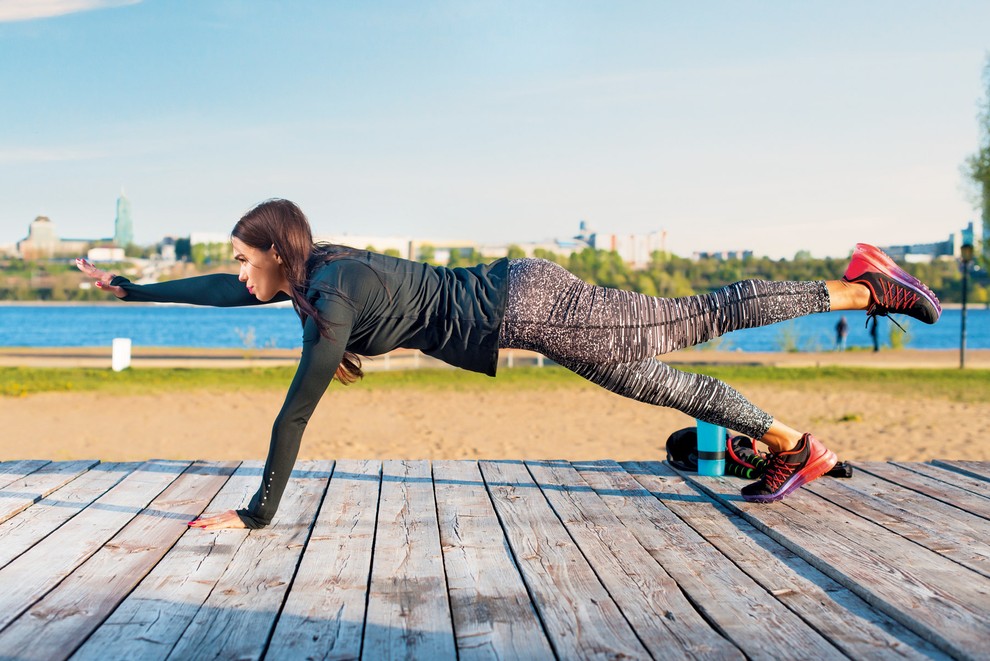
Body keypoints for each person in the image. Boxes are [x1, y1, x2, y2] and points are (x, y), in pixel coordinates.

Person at [76, 200, 942, 529]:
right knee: (654, 382)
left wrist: (257, 512)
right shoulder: (310, 274)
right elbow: (226, 294)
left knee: (693, 318)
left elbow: (293, 415)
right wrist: (125, 287)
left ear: (273, 251)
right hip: (525, 306)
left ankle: (862, 286)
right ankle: (794, 443)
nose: (236, 273)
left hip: (530, 306)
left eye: (240, 257)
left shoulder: (329, 300)